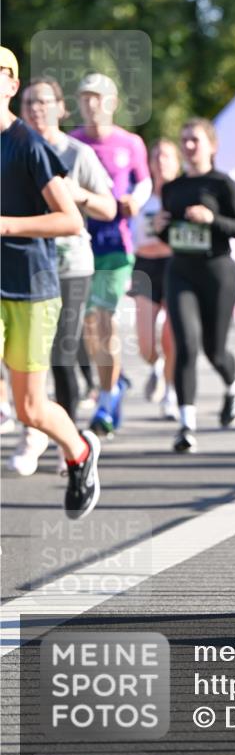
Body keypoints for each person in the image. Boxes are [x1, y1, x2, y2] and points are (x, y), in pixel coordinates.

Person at [0, 45, 100, 518]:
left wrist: (7, 225)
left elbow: (69, 221)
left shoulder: (28, 145)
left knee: (32, 410)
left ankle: (79, 451)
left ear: (12, 87)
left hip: (32, 291)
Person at [155, 118, 235, 453]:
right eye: (184, 140)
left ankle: (234, 382)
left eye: (195, 140)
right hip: (180, 270)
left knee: (215, 349)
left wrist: (213, 219)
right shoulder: (171, 188)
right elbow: (169, 233)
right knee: (186, 345)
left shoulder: (222, 184)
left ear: (212, 145)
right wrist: (160, 226)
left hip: (218, 271)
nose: (189, 146)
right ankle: (186, 424)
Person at [71, 73, 152, 438]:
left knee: (104, 319)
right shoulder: (71, 142)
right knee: (90, 328)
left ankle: (105, 398)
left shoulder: (130, 143)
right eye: (85, 98)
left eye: (98, 98)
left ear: (112, 102)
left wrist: (137, 199)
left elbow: (145, 180)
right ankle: (113, 385)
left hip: (116, 247)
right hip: (79, 243)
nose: (91, 105)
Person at [129, 139, 180, 420]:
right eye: (157, 155)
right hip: (145, 266)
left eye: (167, 156)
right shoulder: (143, 193)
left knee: (171, 336)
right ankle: (156, 366)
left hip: (175, 265)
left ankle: (171, 393)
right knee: (145, 342)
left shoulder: (183, 192)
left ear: (177, 161)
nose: (161, 161)